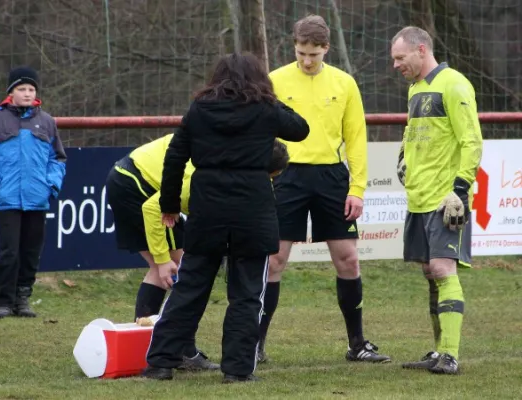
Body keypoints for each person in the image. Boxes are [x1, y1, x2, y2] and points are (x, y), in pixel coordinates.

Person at [142, 52, 310, 383]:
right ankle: (237, 369)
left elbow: (175, 158)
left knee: (190, 286)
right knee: (247, 292)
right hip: (253, 207)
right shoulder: (265, 109)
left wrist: (171, 205)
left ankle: (161, 362)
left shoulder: (199, 109)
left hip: (208, 207)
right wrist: (273, 99)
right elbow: (300, 129)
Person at [259, 15, 391, 364]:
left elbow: (356, 139)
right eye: (301, 53)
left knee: (347, 260)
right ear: (294, 47)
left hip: (332, 179)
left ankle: (357, 344)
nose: (306, 61)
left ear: (326, 49)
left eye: (313, 55)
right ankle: (255, 344)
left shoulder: (345, 83)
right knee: (273, 260)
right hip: (285, 176)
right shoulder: (274, 81)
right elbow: (261, 133)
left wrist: (358, 188)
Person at [391, 26, 483, 375]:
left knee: (444, 269)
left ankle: (451, 354)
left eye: (400, 58)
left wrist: (459, 189)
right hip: (419, 197)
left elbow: (471, 140)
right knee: (430, 272)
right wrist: (403, 158)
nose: (396, 65)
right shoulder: (416, 88)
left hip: (446, 198)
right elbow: (412, 131)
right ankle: (438, 351)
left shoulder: (454, 84)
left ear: (420, 49)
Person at [105, 134, 219, 371]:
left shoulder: (209, 135)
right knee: (185, 272)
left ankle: (147, 347)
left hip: (126, 178)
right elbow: (153, 207)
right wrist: (163, 258)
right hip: (140, 187)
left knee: (163, 272)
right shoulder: (203, 165)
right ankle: (181, 350)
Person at [0, 66, 67, 319]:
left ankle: (23, 298)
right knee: (7, 251)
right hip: (5, 200)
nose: (27, 93)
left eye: (31, 89)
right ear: (11, 92)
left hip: (38, 199)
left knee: (31, 251)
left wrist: (51, 185)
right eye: (22, 89)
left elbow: (58, 159)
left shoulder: (46, 121)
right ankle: (3, 300)